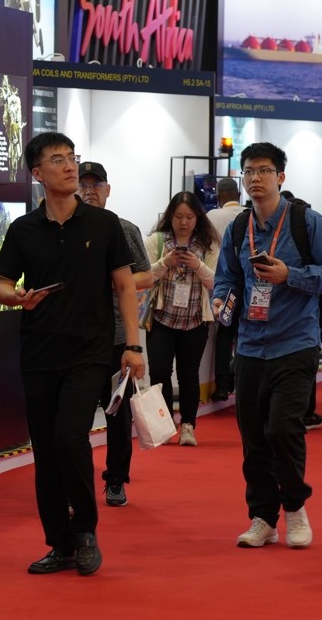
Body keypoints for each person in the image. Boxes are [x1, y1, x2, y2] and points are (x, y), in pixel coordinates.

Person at [0, 133, 142, 577]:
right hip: (39, 353)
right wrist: (17, 297)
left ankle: (86, 531)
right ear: (37, 173)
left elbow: (125, 286)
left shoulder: (104, 223)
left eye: (71, 158)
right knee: (46, 451)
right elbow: (2, 286)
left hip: (89, 352)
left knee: (70, 437)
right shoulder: (23, 229)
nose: (70, 166)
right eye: (57, 159)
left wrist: (133, 345)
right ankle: (60, 542)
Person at [211, 142, 322, 551]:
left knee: (283, 429)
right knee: (253, 438)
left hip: (295, 342)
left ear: (281, 177)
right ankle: (263, 518)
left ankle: (295, 508)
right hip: (250, 345)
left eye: (264, 170)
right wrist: (220, 299)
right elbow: (226, 277)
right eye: (249, 171)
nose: (255, 178)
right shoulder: (238, 228)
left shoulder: (306, 221)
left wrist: (291, 276)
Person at [77, 161, 153, 506]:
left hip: (118, 338)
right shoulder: (68, 229)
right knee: (75, 416)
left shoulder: (124, 228)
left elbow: (146, 275)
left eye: (96, 185)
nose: (89, 191)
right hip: (78, 338)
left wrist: (116, 282)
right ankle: (74, 483)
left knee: (118, 414)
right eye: (84, 185)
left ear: (107, 190)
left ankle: (116, 479)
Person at [144, 191, 221, 446]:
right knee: (159, 372)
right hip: (161, 319)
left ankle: (188, 426)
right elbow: (144, 277)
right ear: (170, 216)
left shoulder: (209, 244)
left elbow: (216, 282)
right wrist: (165, 262)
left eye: (189, 216)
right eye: (178, 216)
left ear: (198, 217)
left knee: (188, 375)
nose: (184, 222)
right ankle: (165, 424)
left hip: (195, 320)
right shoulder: (156, 241)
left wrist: (197, 265)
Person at [205, 177, 245, 402]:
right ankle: (241, 382)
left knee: (225, 333)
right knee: (245, 333)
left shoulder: (212, 216)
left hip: (222, 284)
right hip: (247, 284)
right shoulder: (249, 215)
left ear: (218, 196)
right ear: (238, 195)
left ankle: (222, 385)